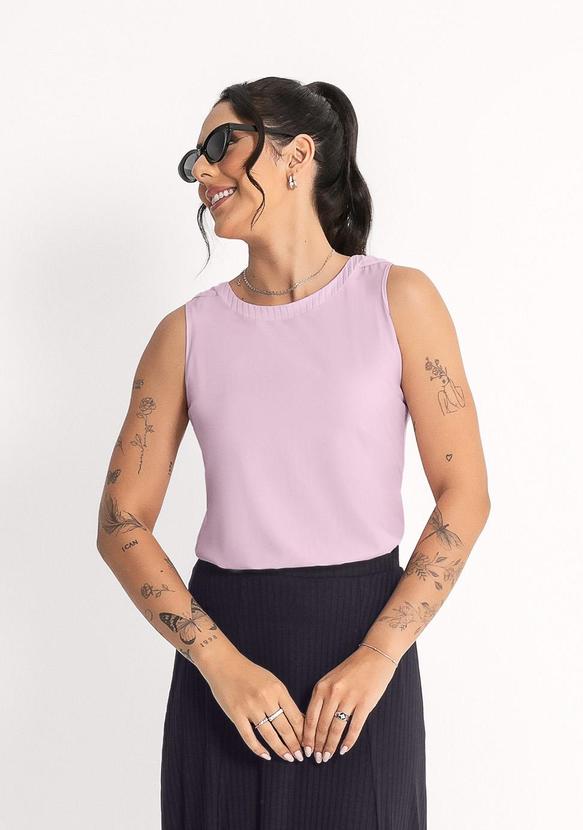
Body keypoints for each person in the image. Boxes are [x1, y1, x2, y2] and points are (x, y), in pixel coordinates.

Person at [96, 76, 491, 830]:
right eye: (194, 158)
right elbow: (121, 522)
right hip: (226, 668)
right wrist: (219, 664)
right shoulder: (185, 334)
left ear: (296, 155)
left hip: (365, 658)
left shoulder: (399, 300)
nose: (203, 171)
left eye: (222, 145)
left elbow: (465, 494)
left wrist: (379, 655)